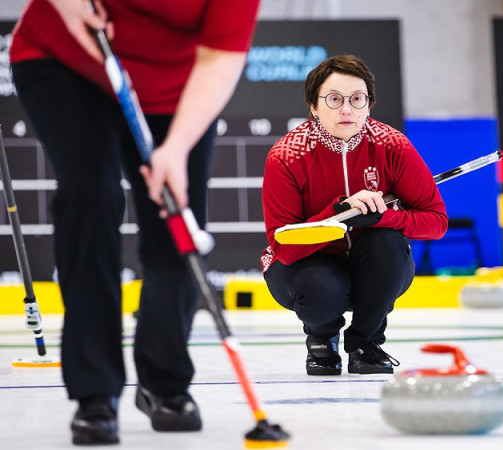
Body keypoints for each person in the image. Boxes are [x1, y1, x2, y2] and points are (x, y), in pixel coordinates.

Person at [10, 0, 259, 445]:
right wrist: (69, 7)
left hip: (174, 89)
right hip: (67, 63)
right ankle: (95, 391)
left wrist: (177, 148)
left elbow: (222, 54)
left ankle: (164, 382)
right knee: (91, 195)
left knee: (175, 221)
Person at [261, 55, 448, 376]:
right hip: (303, 263)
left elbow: (435, 222)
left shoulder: (393, 146)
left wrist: (381, 218)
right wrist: (336, 215)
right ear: (313, 106)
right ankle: (321, 337)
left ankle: (366, 343)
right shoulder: (286, 155)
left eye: (356, 99)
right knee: (322, 287)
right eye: (333, 100)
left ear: (369, 104)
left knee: (388, 243)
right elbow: (285, 247)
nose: (346, 109)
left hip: (371, 260)